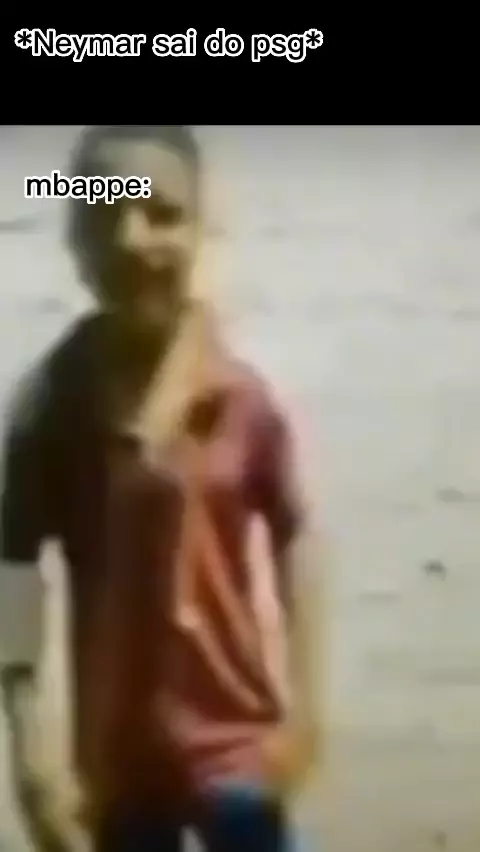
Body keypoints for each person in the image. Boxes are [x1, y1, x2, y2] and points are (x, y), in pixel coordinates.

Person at [0, 125, 324, 852]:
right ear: (73, 239)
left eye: (162, 214)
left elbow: (296, 536)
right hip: (117, 759)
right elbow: (13, 574)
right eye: (103, 217)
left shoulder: (240, 397)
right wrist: (28, 755)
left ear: (201, 228)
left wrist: (307, 714)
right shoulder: (51, 407)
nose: (132, 240)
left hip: (236, 748)